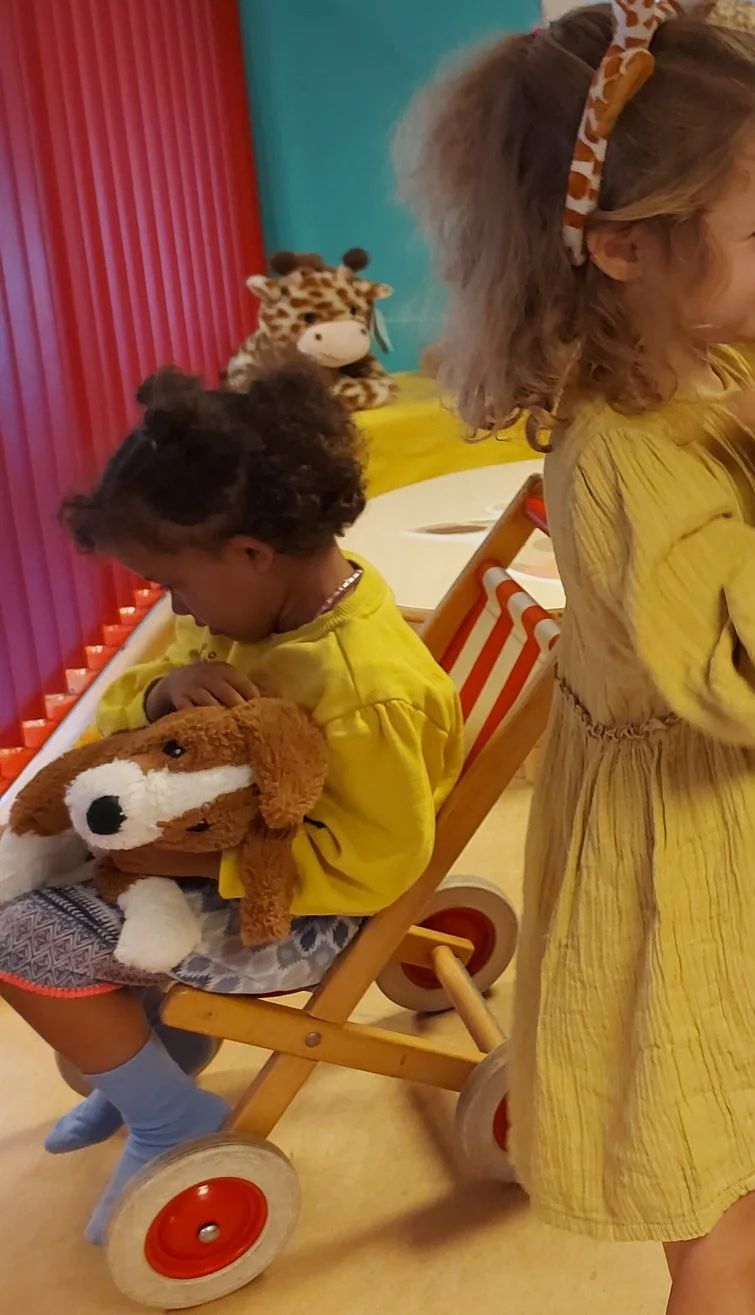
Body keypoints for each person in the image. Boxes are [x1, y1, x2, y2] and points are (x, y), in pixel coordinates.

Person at [398, 0, 755, 1315]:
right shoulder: (624, 451)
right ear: (625, 247)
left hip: (720, 836)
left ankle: (736, 1288)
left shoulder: (695, 360)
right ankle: (724, 1296)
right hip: (698, 856)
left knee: (727, 1131)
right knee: (732, 1147)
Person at [0, 362, 461, 1244]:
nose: (176, 606)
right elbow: (121, 715)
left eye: (175, 584)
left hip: (309, 914)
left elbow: (376, 864)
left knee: (19, 937)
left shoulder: (363, 688)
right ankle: (159, 1058)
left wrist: (192, 860)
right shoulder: (253, 613)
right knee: (32, 874)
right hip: (228, 863)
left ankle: (169, 1114)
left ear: (251, 553)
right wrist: (163, 690)